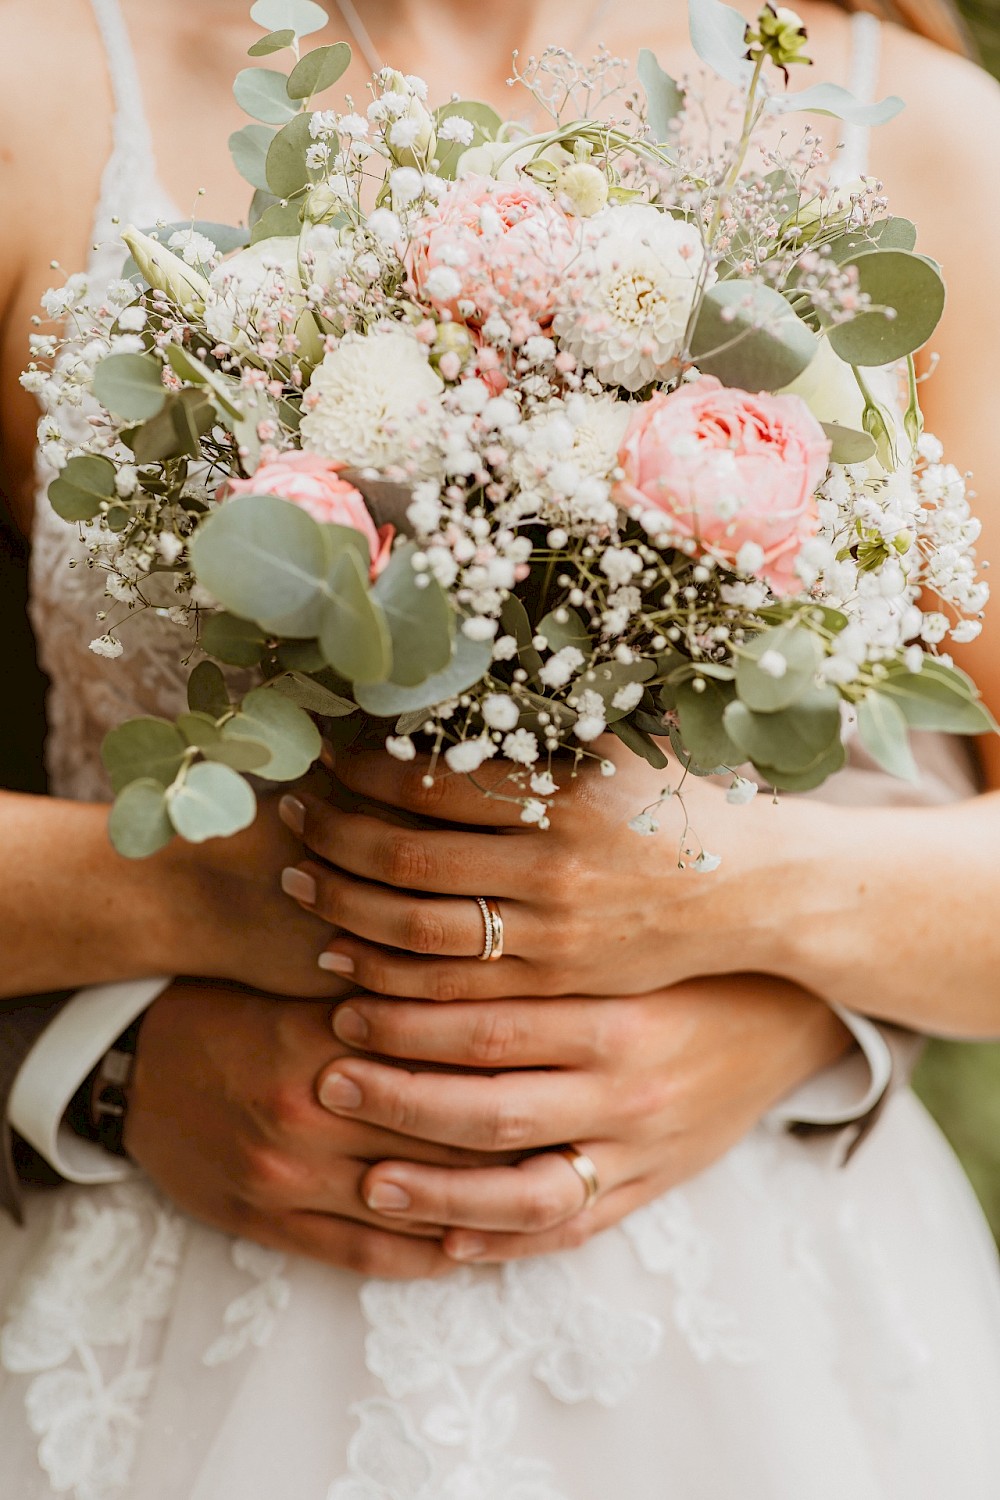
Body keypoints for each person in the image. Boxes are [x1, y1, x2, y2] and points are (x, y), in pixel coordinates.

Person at [0, 1, 998, 1496]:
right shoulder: (38, 88)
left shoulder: (923, 135)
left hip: (774, 1359)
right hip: (179, 1338)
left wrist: (738, 914)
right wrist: (164, 937)